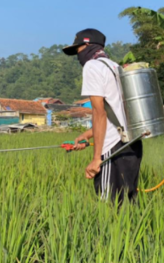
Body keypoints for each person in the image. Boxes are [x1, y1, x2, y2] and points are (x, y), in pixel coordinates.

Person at [62, 28, 143, 204]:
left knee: (109, 208)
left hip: (112, 148)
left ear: (87, 45)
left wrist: (96, 158)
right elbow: (117, 114)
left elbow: (99, 112)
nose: (78, 56)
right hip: (132, 144)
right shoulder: (116, 67)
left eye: (78, 50)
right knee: (128, 205)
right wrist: (86, 135)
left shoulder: (93, 67)